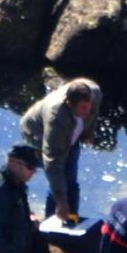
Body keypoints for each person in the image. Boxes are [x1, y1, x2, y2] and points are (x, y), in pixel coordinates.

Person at [20, 78, 102, 222]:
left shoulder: (93, 94)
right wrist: (61, 201)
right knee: (60, 180)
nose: (87, 110)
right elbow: (53, 162)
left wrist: (88, 132)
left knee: (72, 182)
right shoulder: (56, 118)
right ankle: (50, 226)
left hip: (71, 132)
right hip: (38, 133)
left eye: (89, 106)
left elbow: (93, 113)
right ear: (69, 104)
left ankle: (72, 221)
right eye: (83, 107)